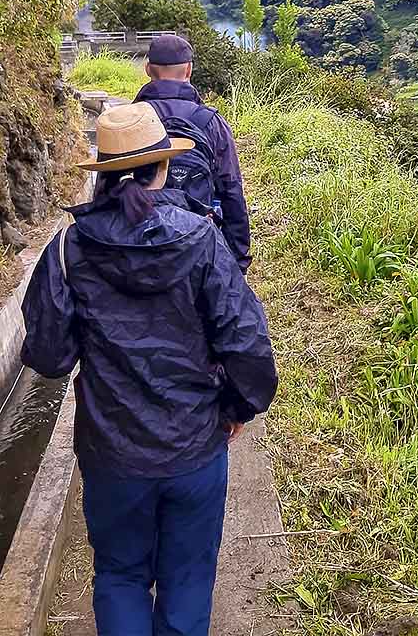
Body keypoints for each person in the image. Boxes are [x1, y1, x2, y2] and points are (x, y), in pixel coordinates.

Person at [20, 101, 277, 636]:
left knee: (119, 574)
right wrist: (234, 407)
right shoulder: (202, 239)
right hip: (194, 447)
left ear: (104, 179)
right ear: (163, 167)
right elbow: (248, 345)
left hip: (111, 452)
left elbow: (49, 358)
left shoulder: (69, 249)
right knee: (186, 579)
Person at [132, 34, 252, 270]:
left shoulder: (128, 120)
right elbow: (231, 190)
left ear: (147, 69)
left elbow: (106, 187)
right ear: (188, 70)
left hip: (138, 247)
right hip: (198, 244)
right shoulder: (211, 122)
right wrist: (239, 258)